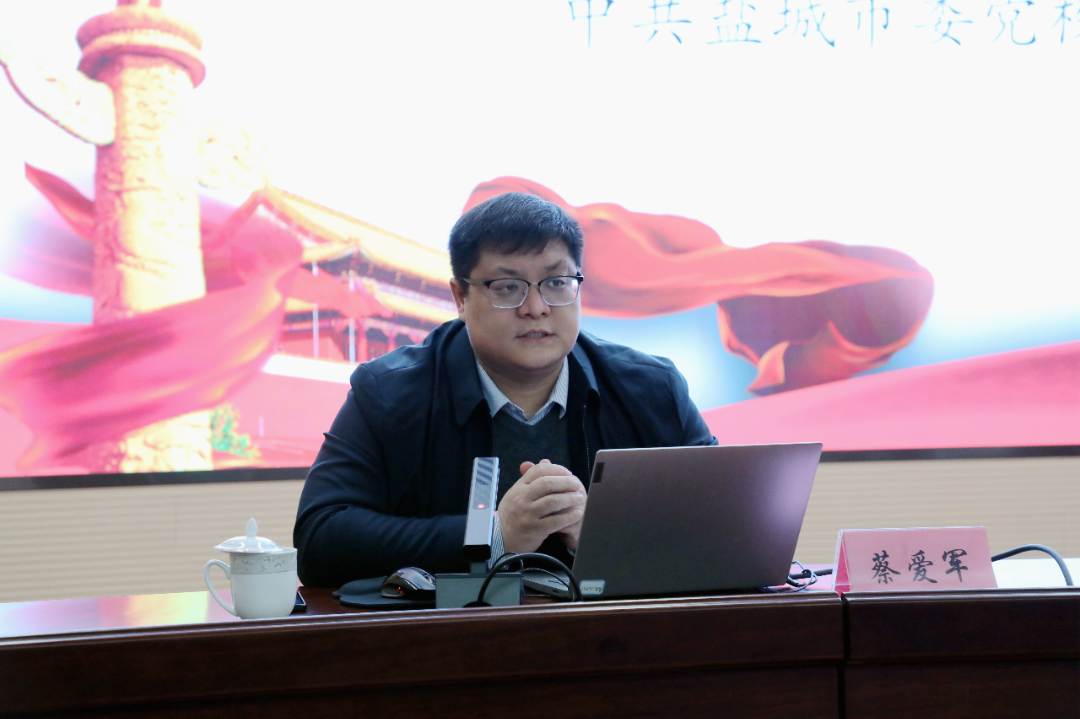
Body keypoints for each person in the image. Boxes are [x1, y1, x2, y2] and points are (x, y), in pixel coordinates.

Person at [294, 192, 717, 587]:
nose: (536, 307)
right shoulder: (388, 393)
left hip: (615, 633)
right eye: (508, 287)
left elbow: (725, 522)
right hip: (457, 634)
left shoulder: (652, 389)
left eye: (557, 282)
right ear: (460, 297)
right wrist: (493, 534)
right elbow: (320, 539)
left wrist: (603, 531)